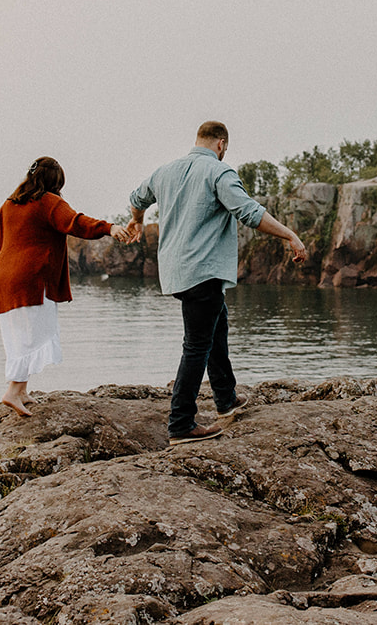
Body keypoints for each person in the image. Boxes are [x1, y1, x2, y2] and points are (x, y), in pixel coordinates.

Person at [128, 121, 306, 445]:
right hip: (203, 271)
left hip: (175, 272)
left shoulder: (164, 172)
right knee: (196, 345)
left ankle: (226, 399)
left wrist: (136, 223)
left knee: (216, 326)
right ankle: (181, 423)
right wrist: (290, 235)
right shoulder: (218, 173)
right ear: (221, 145)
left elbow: (137, 198)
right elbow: (249, 212)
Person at [0, 156, 119, 415]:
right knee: (32, 334)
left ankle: (20, 390)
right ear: (55, 182)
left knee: (19, 332)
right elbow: (76, 223)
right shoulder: (49, 202)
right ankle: (12, 392)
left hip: (6, 279)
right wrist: (109, 228)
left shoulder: (10, 204)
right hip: (32, 277)